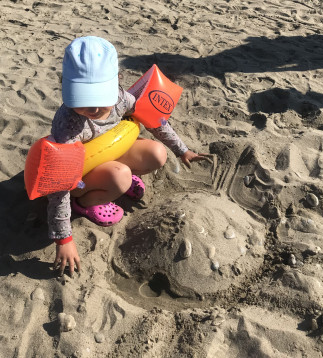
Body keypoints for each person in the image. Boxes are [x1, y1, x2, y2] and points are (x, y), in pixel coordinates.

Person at [49, 36, 210, 276]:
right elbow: (60, 181)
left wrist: (182, 149)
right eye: (82, 99)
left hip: (108, 155)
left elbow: (155, 122)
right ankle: (85, 203)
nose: (93, 109)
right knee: (120, 177)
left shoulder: (122, 99)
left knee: (157, 153)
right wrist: (64, 239)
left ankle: (114, 180)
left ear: (117, 82)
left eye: (100, 97)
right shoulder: (69, 124)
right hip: (79, 179)